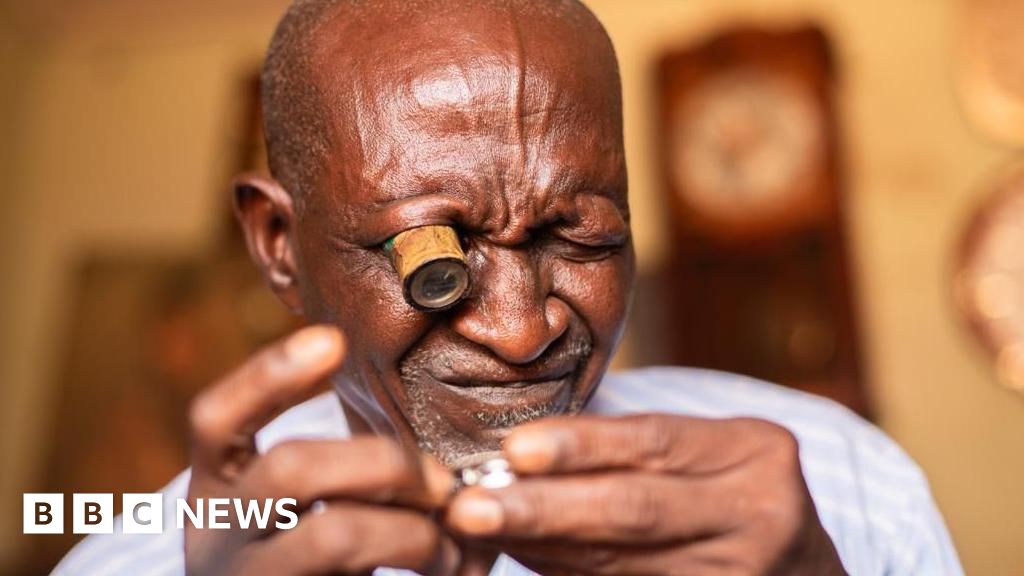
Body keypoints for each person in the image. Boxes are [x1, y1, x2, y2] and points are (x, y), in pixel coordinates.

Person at [55, 0, 962, 574]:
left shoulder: (845, 486)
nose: (523, 332)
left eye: (583, 235)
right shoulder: (133, 563)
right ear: (281, 247)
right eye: (429, 255)